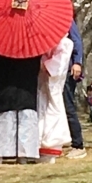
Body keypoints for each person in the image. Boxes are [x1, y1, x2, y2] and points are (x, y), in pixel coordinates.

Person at [0, 48, 41, 164]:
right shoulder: (32, 44)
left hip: (3, 84)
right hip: (26, 86)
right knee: (26, 119)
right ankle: (24, 155)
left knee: (2, 120)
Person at [37, 35, 74, 163]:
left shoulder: (66, 44)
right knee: (40, 111)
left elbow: (57, 68)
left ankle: (50, 148)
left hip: (54, 85)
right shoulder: (42, 41)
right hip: (41, 84)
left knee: (52, 112)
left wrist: (44, 64)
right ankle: (37, 146)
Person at [63, 20, 87, 159]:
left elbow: (77, 41)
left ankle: (78, 145)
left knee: (68, 107)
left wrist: (77, 62)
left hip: (66, 70)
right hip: (50, 71)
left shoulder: (66, 20)